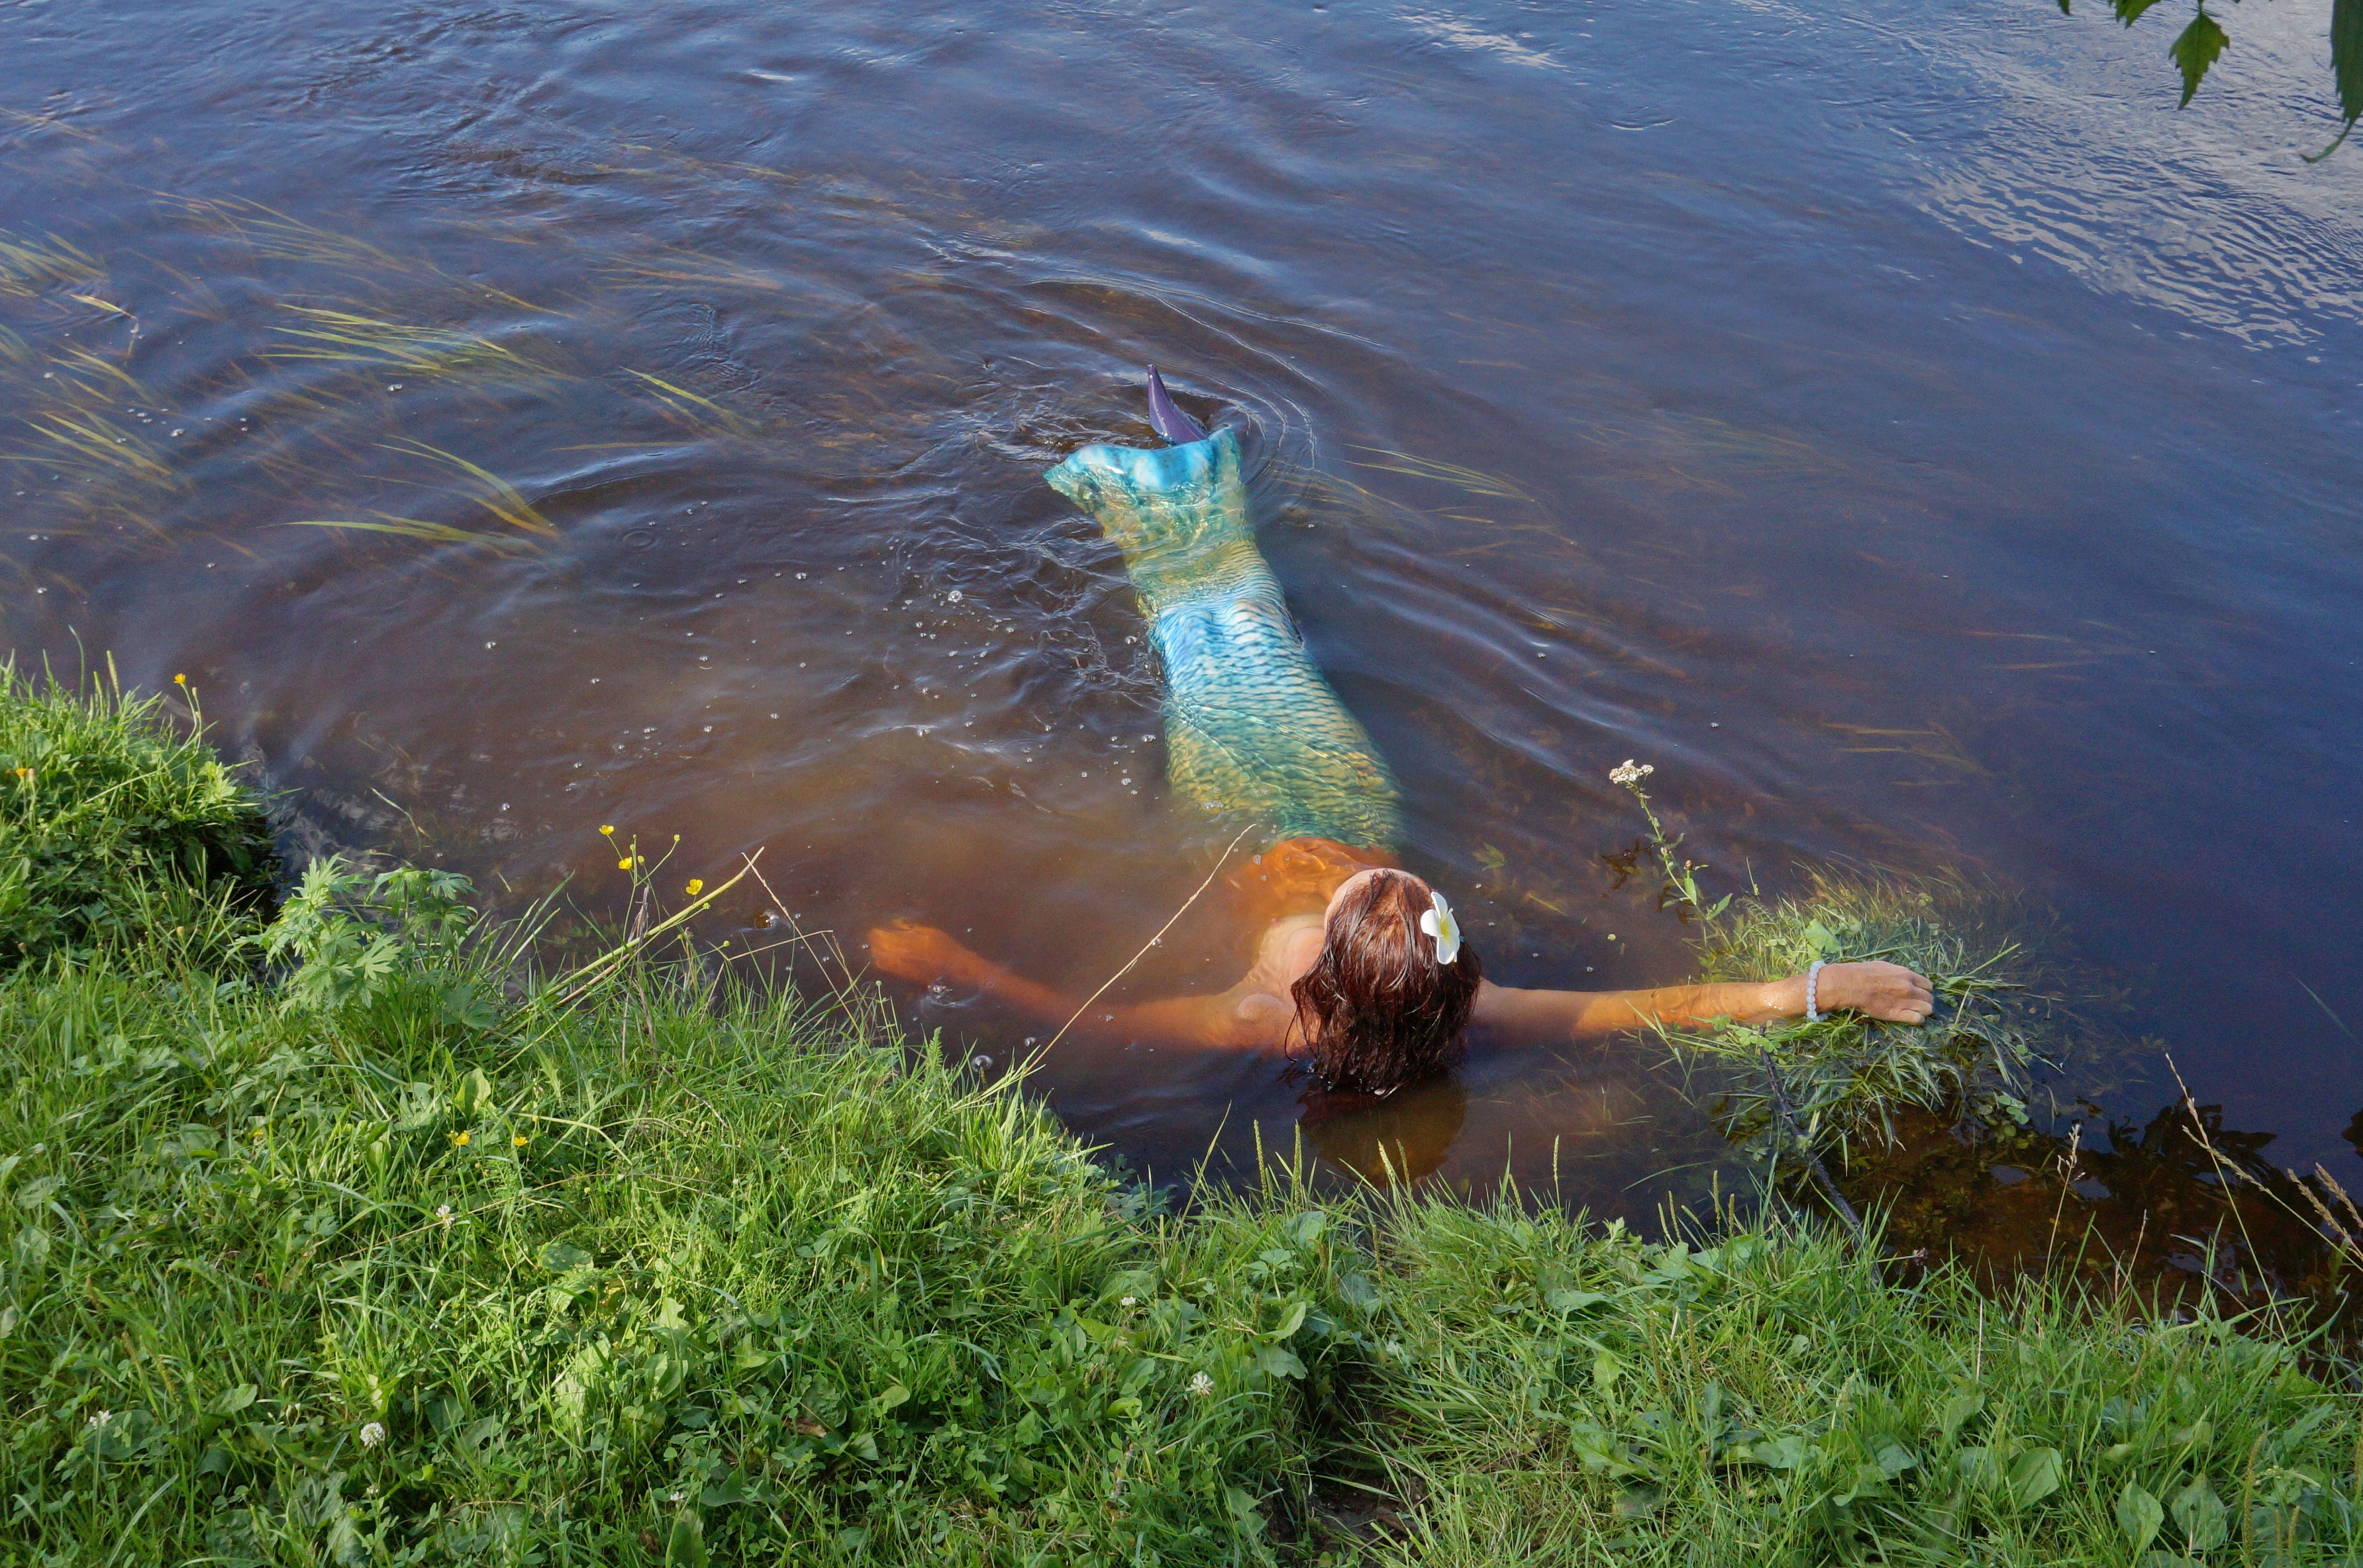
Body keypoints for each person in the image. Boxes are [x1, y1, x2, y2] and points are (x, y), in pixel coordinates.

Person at [869, 369, 1933, 1097]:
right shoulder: (1477, 1009)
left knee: (1205, 643)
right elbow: (1670, 1004)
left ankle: (1160, 489)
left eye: (1364, 892)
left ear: (1331, 973)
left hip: (1236, 806)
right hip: (1342, 788)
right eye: (1406, 887)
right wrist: (1814, 990)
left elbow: (1093, 1023)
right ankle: (1188, 482)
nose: (1368, 874)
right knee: (1262, 643)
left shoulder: (1264, 1020)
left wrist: (956, 962)